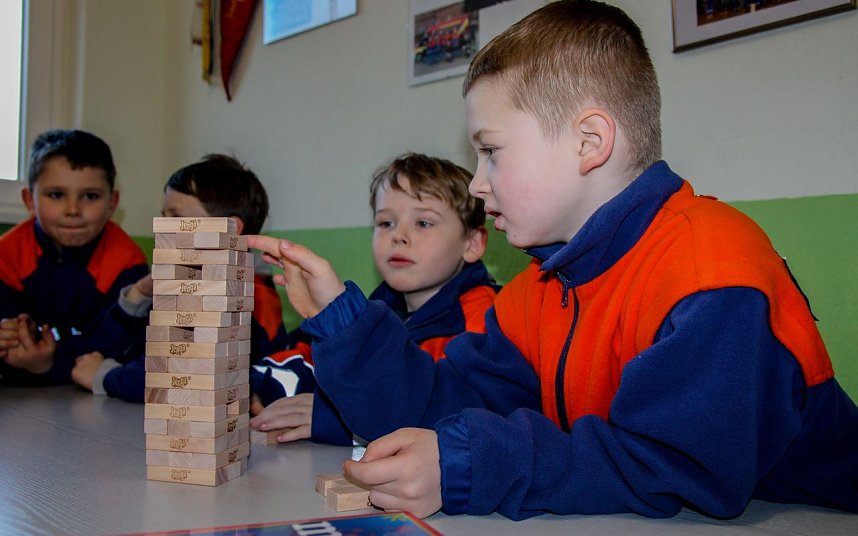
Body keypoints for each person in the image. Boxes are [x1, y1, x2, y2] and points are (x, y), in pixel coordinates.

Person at [248, 0, 858, 521]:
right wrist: (344, 323)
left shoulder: (711, 269)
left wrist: (474, 463)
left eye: (490, 152)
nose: (479, 185)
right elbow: (436, 401)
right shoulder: (543, 283)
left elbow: (677, 467)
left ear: (589, 143)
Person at [249, 152, 498, 444]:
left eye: (423, 223)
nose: (399, 236)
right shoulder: (380, 305)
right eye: (385, 223)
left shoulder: (486, 320)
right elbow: (310, 359)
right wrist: (245, 385)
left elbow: (460, 416)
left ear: (472, 243)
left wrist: (339, 420)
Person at [70, 154, 304, 406]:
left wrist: (104, 376)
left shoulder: (246, 295)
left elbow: (179, 377)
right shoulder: (194, 283)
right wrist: (139, 293)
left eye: (176, 217)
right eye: (163, 217)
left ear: (229, 229)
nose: (161, 228)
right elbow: (122, 348)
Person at [0, 129, 149, 386]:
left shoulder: (127, 263)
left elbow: (122, 351)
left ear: (112, 203)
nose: (73, 210)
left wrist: (49, 364)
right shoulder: (7, 256)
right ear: (29, 201)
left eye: (90, 196)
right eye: (56, 195)